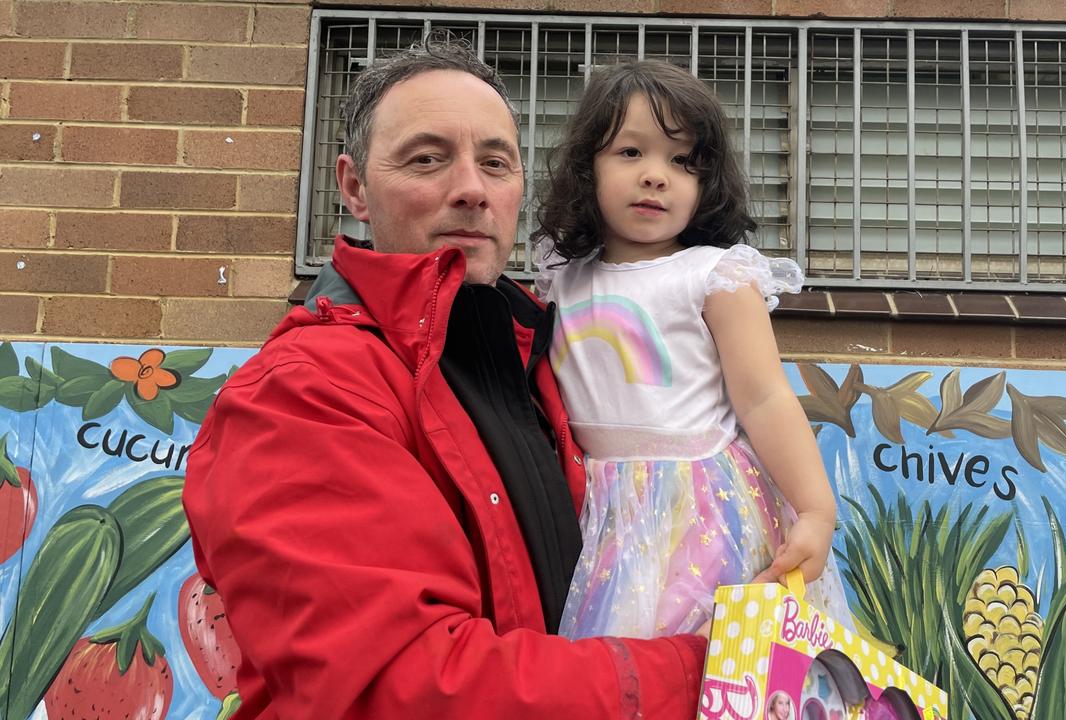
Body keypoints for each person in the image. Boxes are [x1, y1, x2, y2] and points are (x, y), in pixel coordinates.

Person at [182, 40, 710, 719]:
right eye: (427, 159)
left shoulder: (542, 360)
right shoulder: (300, 395)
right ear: (353, 188)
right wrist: (703, 671)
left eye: (495, 162)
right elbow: (406, 689)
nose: (471, 188)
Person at [533, 61, 850, 640]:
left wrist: (815, 510)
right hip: (593, 511)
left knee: (703, 662)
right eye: (631, 152)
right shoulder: (562, 278)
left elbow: (765, 400)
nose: (656, 175)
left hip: (702, 511)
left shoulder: (714, 276)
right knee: (609, 672)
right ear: (587, 168)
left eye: (682, 161)